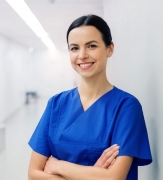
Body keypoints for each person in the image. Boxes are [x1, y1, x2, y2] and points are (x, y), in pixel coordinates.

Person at [28, 14, 152, 180]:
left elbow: (114, 178)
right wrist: (93, 174)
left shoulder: (126, 106)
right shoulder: (56, 104)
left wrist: (59, 166)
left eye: (91, 46)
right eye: (74, 48)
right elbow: (33, 174)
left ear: (110, 49)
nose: (82, 55)